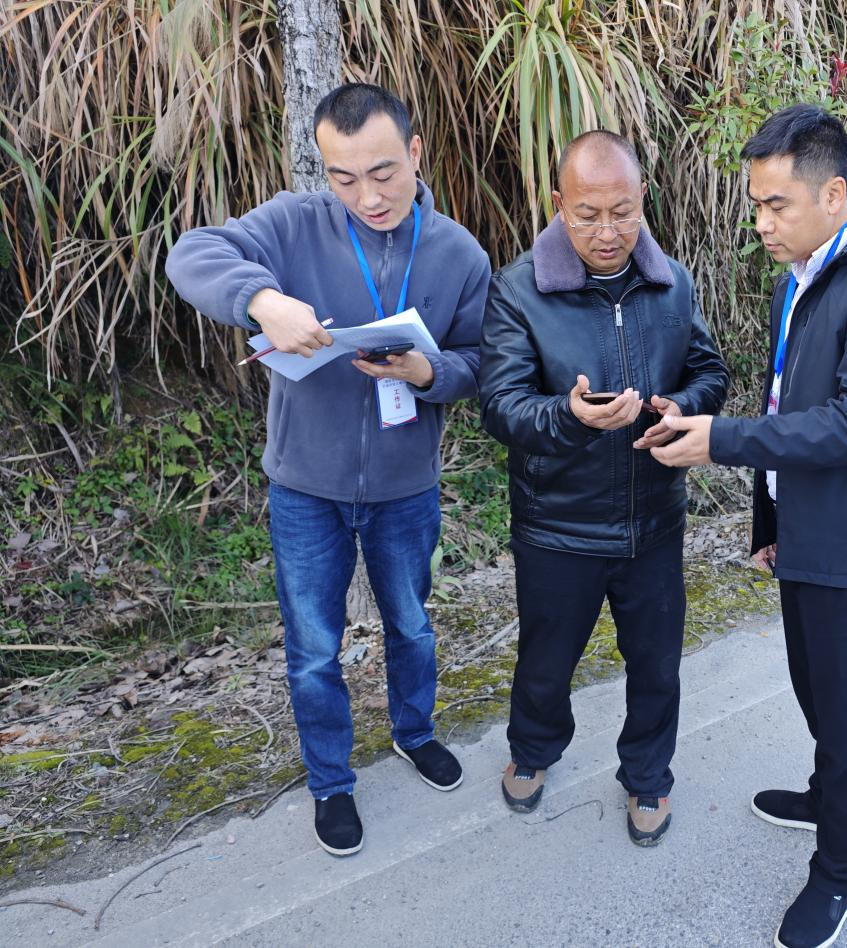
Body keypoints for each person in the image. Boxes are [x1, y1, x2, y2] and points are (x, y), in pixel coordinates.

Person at [651, 104, 847, 947]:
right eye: (755, 204)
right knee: (817, 689)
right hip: (813, 530)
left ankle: (837, 874)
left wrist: (722, 442)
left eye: (776, 204)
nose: (760, 223)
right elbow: (792, 401)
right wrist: (771, 518)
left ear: (834, 194)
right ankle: (826, 797)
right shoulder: (804, 278)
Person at [165, 83, 490, 857]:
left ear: (414, 153)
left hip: (406, 488)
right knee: (314, 645)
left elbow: (479, 360)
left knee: (411, 622)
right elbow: (192, 254)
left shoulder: (458, 253)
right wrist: (261, 299)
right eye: (343, 178)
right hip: (305, 488)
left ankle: (415, 732)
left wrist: (425, 373)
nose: (366, 196)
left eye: (381, 173)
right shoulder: (291, 224)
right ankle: (331, 783)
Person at [478, 130, 729, 847]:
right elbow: (500, 405)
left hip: (654, 519)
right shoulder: (519, 289)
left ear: (642, 200)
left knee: (655, 662)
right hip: (557, 525)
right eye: (588, 215)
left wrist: (683, 404)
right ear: (558, 204)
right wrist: (569, 415)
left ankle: (648, 775)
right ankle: (533, 749)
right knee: (546, 660)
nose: (608, 231)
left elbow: (709, 370)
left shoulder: (672, 282)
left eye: (622, 212)